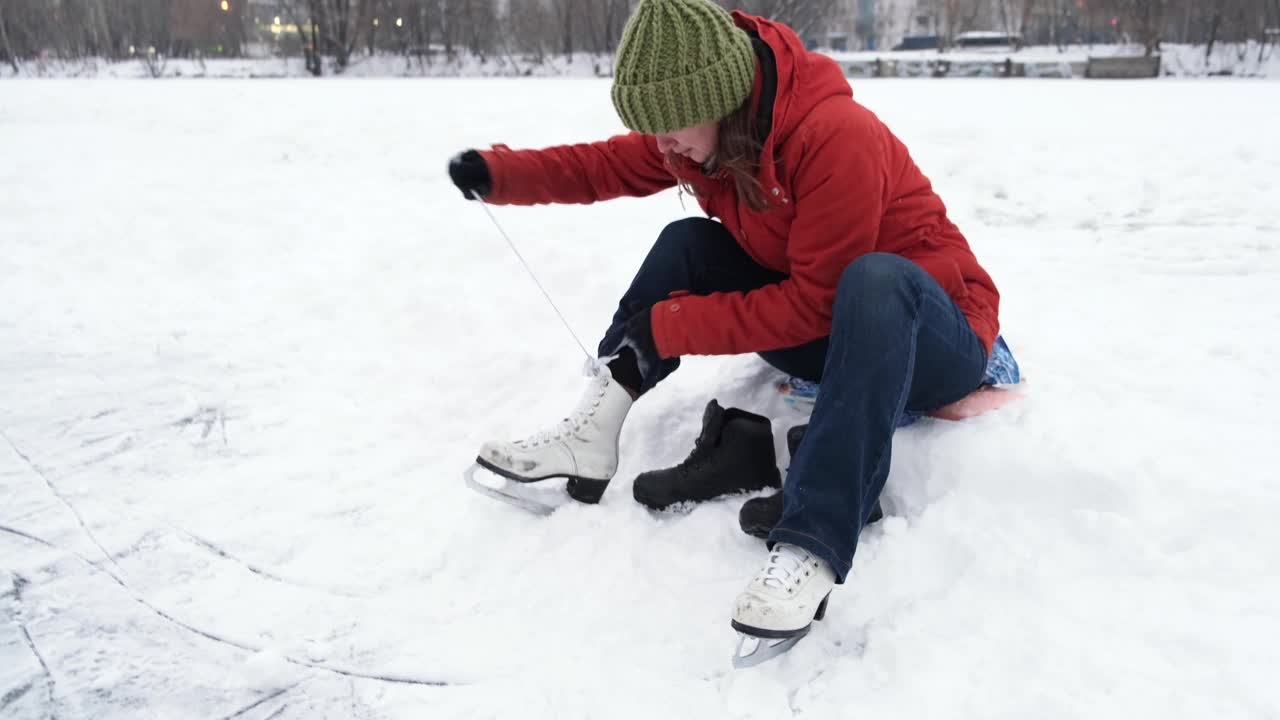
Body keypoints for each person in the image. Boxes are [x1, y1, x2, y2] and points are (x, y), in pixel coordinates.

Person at [448, 0, 1012, 656]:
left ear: (718, 96)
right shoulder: (701, 137)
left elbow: (817, 304)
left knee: (874, 280)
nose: (662, 147)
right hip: (836, 341)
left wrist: (675, 325)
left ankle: (814, 542)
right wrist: (499, 175)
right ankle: (593, 433)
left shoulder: (834, 135)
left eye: (670, 127)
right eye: (651, 129)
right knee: (686, 243)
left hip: (930, 342)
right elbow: (600, 166)